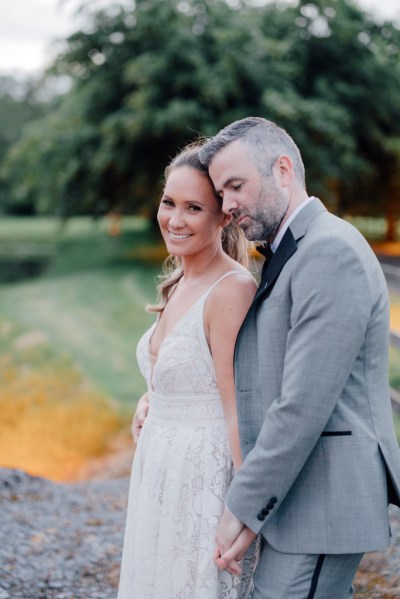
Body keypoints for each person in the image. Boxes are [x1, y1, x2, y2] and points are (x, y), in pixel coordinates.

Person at [198, 116, 400, 599]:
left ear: (283, 170)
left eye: (236, 186)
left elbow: (303, 404)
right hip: (302, 494)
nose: (226, 206)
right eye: (221, 192)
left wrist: (241, 506)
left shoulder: (330, 251)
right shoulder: (293, 251)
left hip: (324, 499)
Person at [118, 143, 257, 598]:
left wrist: (242, 509)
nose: (174, 220)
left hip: (203, 477)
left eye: (193, 208)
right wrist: (151, 399)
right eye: (168, 203)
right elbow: (181, 375)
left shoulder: (231, 288)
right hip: (158, 468)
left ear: (223, 217)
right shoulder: (180, 279)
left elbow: (238, 406)